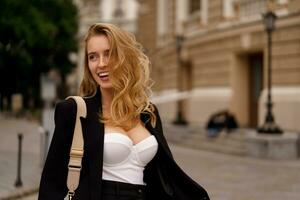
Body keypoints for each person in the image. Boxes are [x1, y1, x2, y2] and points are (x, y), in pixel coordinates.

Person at [38, 23, 210, 200]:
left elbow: (165, 176)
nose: (101, 64)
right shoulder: (75, 111)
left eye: (109, 54)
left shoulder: (147, 112)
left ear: (124, 57)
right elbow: (51, 184)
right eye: (92, 57)